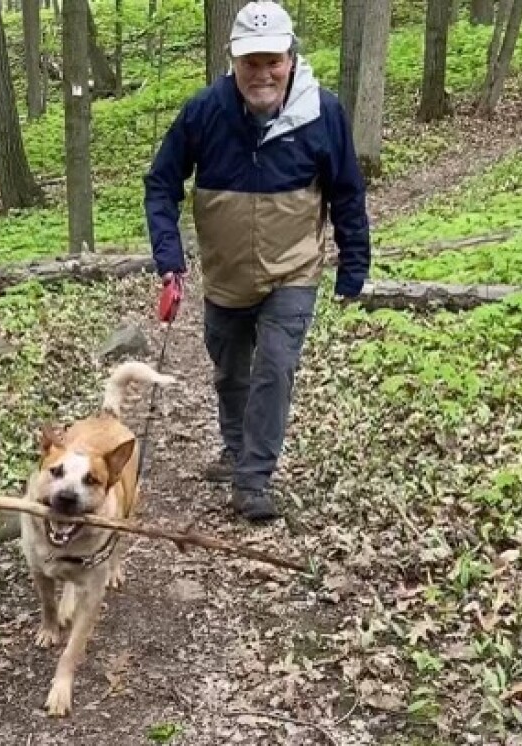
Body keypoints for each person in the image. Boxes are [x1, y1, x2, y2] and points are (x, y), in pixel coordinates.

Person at [143, 1, 371, 522]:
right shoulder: (204, 111)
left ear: (292, 58)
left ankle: (253, 479)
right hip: (225, 275)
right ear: (233, 60)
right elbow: (161, 182)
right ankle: (235, 447)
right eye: (252, 62)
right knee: (229, 372)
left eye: (273, 61)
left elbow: (347, 193)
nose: (262, 73)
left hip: (293, 270)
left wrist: (352, 264)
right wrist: (169, 255)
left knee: (274, 367)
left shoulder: (323, 113)